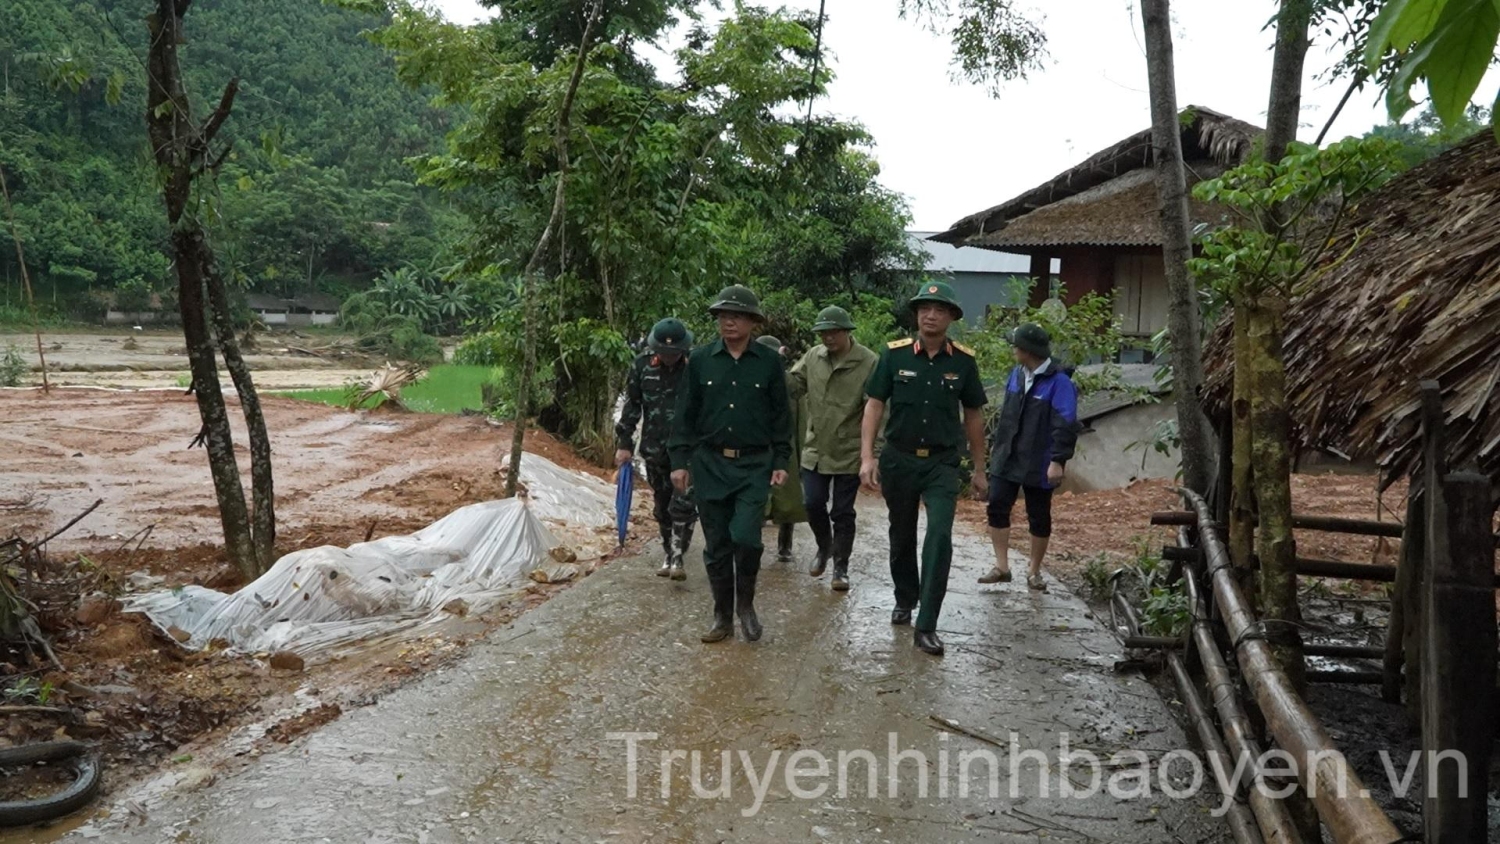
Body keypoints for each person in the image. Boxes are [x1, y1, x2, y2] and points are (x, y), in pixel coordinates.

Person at [860, 281, 988, 657]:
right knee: (901, 536)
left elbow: (974, 415)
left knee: (939, 537)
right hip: (898, 459)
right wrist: (867, 457)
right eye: (923, 309)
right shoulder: (893, 355)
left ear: (951, 317)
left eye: (938, 309)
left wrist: (979, 469)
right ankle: (905, 596)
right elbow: (874, 405)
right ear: (916, 315)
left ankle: (927, 624)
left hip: (941, 463)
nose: (930, 315)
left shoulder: (963, 361)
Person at [669, 285, 792, 644]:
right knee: (717, 544)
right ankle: (722, 615)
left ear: (753, 321)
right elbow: (684, 416)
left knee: (746, 538)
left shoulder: (769, 362)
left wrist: (781, 459)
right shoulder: (702, 360)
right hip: (710, 464)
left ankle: (746, 606)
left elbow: (780, 416)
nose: (729, 321)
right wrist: (680, 461)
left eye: (736, 315)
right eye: (723, 315)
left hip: (754, 465)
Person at [978, 323, 1079, 592]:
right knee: (997, 505)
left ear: (1027, 350)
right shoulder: (1016, 374)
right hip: (1007, 455)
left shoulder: (1060, 383)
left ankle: (1034, 571)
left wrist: (1058, 460)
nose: (1013, 349)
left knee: (1039, 515)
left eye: (1016, 345)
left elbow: (1066, 423)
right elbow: (1006, 417)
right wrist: (995, 449)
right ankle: (1002, 567)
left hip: (1040, 459)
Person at [787, 306, 877, 591]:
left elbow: (877, 408)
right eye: (823, 333)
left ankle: (841, 566)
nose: (828, 338)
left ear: (847, 332)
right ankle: (824, 547)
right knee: (812, 502)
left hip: (850, 449)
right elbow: (794, 383)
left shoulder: (868, 362)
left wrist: (872, 452)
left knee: (842, 510)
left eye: (833, 332)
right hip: (816, 447)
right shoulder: (813, 356)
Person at [615, 318, 697, 580]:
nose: (669, 357)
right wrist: (624, 444)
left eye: (674, 353)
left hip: (688, 450)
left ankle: (677, 556)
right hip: (654, 448)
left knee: (682, 503)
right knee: (662, 505)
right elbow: (632, 406)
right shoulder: (642, 365)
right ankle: (669, 550)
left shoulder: (696, 367)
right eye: (664, 352)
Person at [757, 335, 807, 562]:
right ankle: (755, 544)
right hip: (759, 447)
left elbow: (800, 419)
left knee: (787, 498)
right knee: (756, 498)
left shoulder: (789, 382)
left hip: (785, 446)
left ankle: (785, 544)